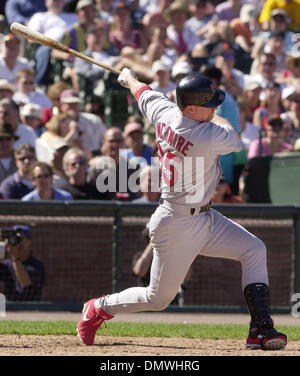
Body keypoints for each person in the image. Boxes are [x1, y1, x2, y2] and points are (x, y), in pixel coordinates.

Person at [77, 68, 287, 351]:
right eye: (208, 105)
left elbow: (142, 92)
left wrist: (128, 78)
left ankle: (261, 329)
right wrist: (158, 93)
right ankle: (99, 307)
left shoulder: (164, 112)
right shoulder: (206, 135)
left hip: (205, 216)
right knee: (158, 299)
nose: (214, 108)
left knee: (254, 249)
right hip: (176, 221)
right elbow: (234, 137)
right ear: (189, 108)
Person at [88, 126, 141, 201]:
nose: (115, 144)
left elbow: (138, 195)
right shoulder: (96, 170)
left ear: (123, 142)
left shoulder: (133, 168)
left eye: (118, 141)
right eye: (111, 141)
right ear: (104, 142)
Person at [0, 224, 45, 301]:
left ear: (29, 242)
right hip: (9, 308)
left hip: (31, 309)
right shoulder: (6, 264)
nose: (18, 243)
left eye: (20, 238)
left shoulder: (37, 265)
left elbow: (26, 285)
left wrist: (15, 257)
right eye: (14, 238)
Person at [58, 89, 107, 157]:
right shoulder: (57, 123)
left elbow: (106, 140)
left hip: (95, 156)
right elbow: (59, 148)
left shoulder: (93, 120)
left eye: (75, 103)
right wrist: (72, 131)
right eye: (69, 104)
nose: (73, 107)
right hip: (69, 158)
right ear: (61, 106)